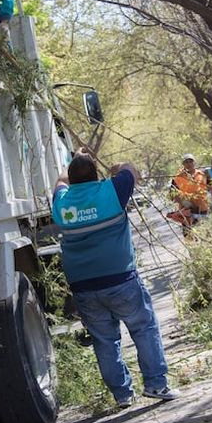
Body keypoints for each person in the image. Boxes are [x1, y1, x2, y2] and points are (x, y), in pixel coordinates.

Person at [52, 152, 178, 408]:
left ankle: (122, 395)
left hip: (83, 287)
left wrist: (74, 161)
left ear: (73, 179)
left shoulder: (62, 203)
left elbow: (60, 181)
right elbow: (130, 169)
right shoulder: (112, 191)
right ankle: (156, 384)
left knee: (105, 341)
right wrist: (112, 167)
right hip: (121, 280)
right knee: (143, 328)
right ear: (96, 175)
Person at [167, 154, 212, 233]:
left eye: (190, 161)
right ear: (183, 164)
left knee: (205, 234)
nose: (189, 164)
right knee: (189, 236)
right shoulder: (178, 178)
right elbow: (172, 195)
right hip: (187, 213)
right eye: (186, 162)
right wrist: (184, 202)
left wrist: (209, 177)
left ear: (194, 162)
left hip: (203, 209)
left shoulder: (203, 174)